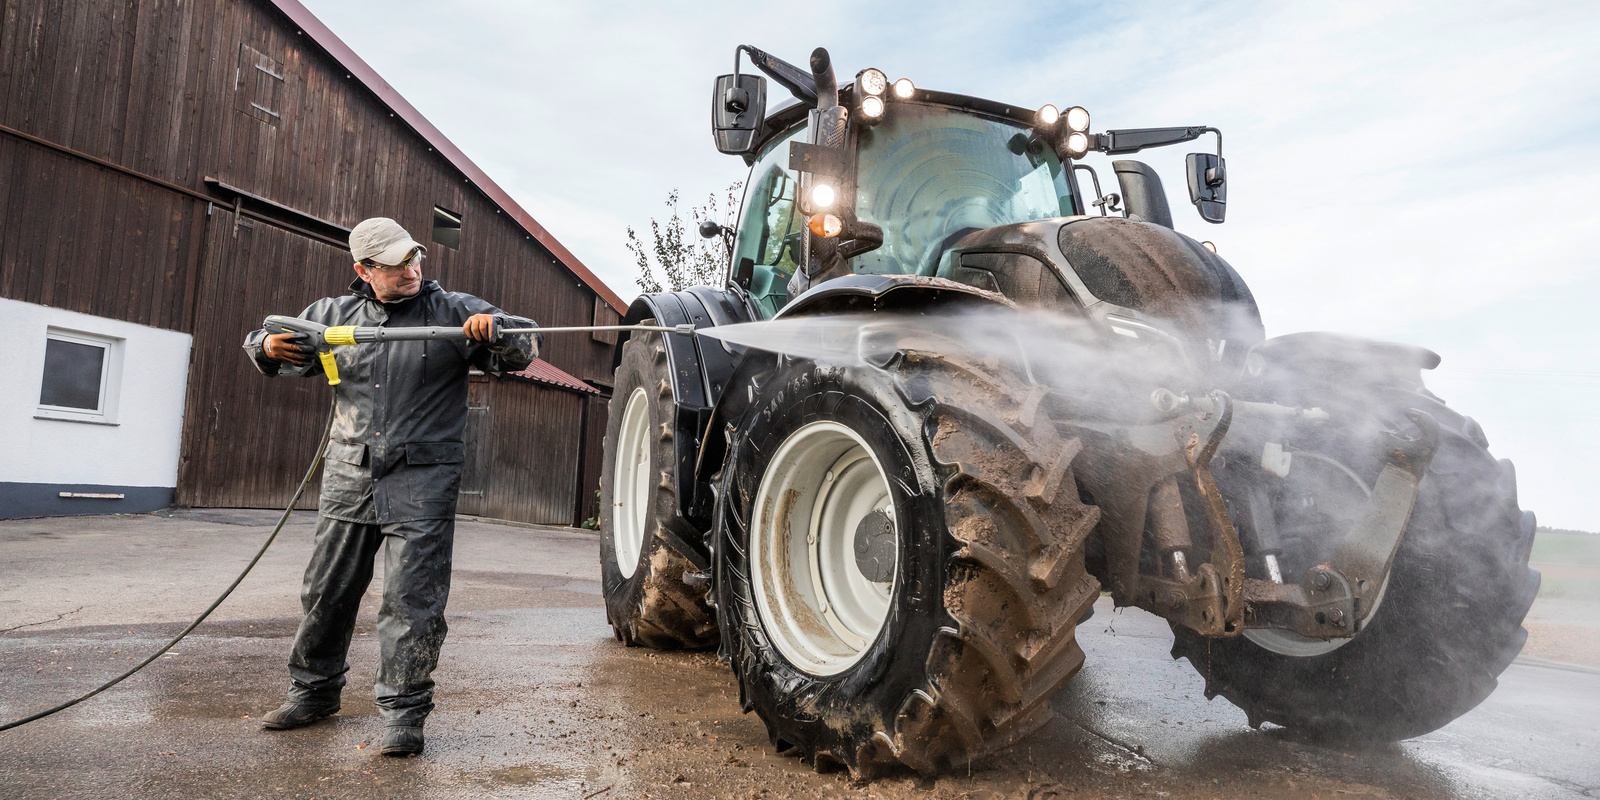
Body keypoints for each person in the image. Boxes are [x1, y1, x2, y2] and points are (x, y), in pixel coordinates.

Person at [242, 217, 540, 756]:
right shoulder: (331, 317)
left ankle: (405, 715)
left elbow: (525, 346)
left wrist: (499, 333)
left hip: (423, 478)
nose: (411, 269)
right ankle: (313, 692)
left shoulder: (454, 312)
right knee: (326, 592)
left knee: (412, 601)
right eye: (396, 264)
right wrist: (266, 347)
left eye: (414, 259)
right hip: (348, 473)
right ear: (364, 270)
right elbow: (266, 338)